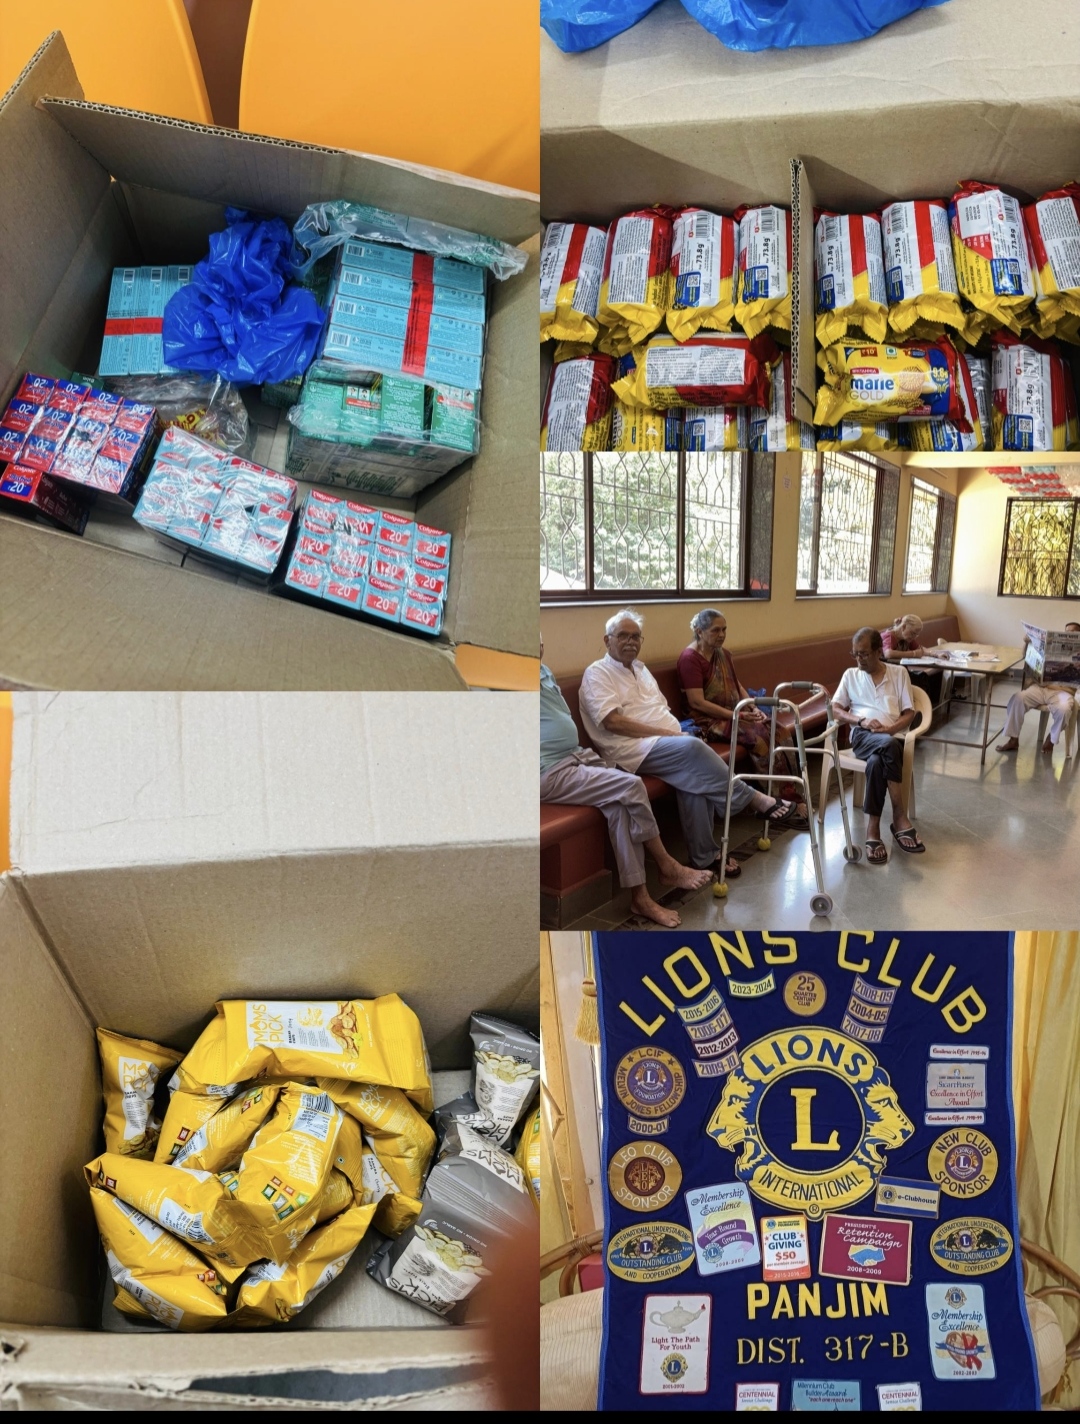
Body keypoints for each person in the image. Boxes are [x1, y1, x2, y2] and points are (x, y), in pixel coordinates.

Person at [578, 610, 803, 877]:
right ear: (607, 640)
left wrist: (676, 732)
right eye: (623, 636)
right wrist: (671, 734)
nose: (631, 642)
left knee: (694, 781)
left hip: (668, 741)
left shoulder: (640, 669)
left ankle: (704, 856)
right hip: (632, 749)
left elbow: (661, 708)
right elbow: (614, 723)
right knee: (695, 750)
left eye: (636, 636)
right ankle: (755, 800)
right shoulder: (597, 673)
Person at [540, 639, 712, 927]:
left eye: (540, 643)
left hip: (577, 756)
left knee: (620, 807)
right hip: (548, 770)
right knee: (631, 786)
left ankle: (640, 897)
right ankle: (666, 864)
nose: (536, 648)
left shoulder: (543, 671)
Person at [831, 626, 924, 864]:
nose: (858, 659)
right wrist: (859, 719)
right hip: (863, 736)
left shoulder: (898, 673)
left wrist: (891, 729)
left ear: (878, 651)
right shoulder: (850, 675)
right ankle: (899, 816)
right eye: (855, 654)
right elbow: (835, 709)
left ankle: (873, 828)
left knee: (877, 761)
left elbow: (909, 712)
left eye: (863, 654)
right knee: (889, 746)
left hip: (891, 737)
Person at [676, 609, 800, 781]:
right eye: (715, 630)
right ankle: (773, 794)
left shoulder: (723, 653)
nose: (722, 635)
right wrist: (738, 715)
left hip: (735, 712)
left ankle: (790, 783)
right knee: (759, 739)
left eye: (724, 629)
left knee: (780, 731)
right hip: (707, 721)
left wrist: (752, 706)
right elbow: (697, 703)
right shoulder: (690, 659)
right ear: (699, 632)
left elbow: (736, 685)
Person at [997, 622, 1080, 755]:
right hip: (1041, 688)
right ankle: (1013, 739)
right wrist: (1026, 642)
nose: (1070, 634)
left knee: (1064, 710)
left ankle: (1051, 740)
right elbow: (1026, 657)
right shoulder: (1051, 646)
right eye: (1067, 632)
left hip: (1063, 693)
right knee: (1017, 699)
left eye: (1074, 633)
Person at [881, 612, 942, 706]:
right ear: (904, 627)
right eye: (913, 633)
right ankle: (913, 708)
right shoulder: (889, 636)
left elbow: (920, 649)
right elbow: (888, 654)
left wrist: (935, 655)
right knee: (919, 681)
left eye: (916, 635)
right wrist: (913, 654)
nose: (914, 637)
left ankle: (924, 708)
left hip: (900, 672)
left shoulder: (907, 637)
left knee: (923, 677)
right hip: (887, 674)